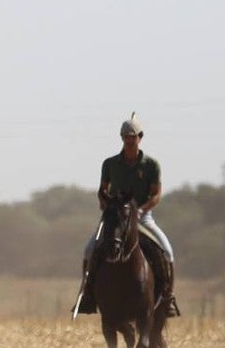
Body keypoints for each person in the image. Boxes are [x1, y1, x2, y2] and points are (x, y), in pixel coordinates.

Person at [75, 113, 179, 316]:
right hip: (115, 217)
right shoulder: (110, 164)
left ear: (140, 137)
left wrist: (141, 210)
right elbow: (102, 189)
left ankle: (168, 297)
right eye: (126, 137)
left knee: (167, 251)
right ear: (121, 138)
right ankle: (87, 294)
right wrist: (105, 204)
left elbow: (156, 195)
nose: (130, 141)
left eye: (133, 137)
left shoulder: (151, 165)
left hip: (142, 216)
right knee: (89, 250)